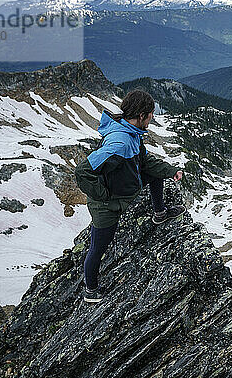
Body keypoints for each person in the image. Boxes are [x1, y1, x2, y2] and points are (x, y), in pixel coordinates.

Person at [74, 89, 186, 303]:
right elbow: (82, 172)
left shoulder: (132, 133)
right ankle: (91, 291)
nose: (153, 117)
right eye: (151, 113)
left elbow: (145, 163)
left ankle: (160, 213)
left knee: (155, 175)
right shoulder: (120, 143)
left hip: (126, 188)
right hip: (107, 205)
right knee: (98, 247)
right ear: (142, 115)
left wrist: (170, 171)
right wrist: (104, 195)